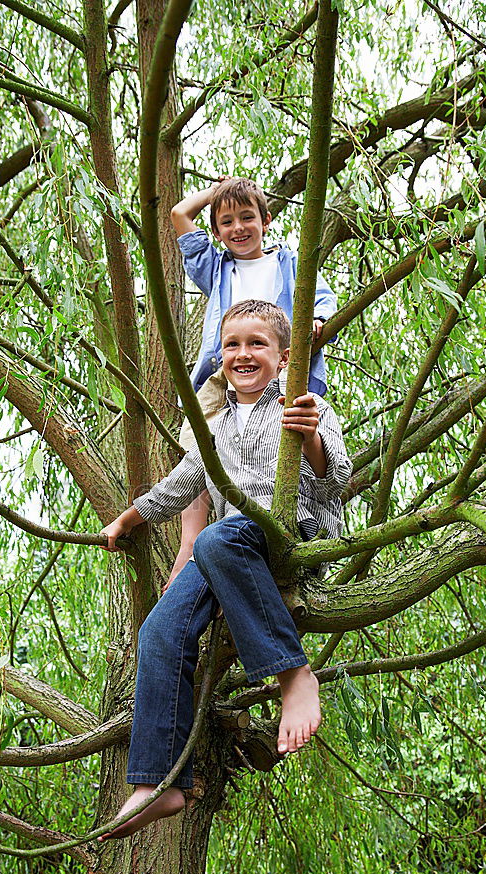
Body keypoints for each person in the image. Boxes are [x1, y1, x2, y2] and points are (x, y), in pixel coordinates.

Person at [99, 301, 352, 839]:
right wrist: (131, 516)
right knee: (160, 631)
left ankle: (292, 673)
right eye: (232, 344)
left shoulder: (304, 404)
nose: (243, 354)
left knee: (216, 538)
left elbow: (338, 484)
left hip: (288, 528)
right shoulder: (212, 424)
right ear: (219, 357)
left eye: (257, 343)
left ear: (285, 357)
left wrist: (309, 439)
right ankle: (159, 780)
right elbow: (184, 481)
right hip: (227, 548)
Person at [166, 176, 338, 590]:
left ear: (267, 220)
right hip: (220, 371)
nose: (238, 228)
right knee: (197, 448)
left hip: (279, 370)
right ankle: (191, 543)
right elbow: (178, 215)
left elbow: (325, 303)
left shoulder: (289, 262)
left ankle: (272, 524)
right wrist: (220, 190)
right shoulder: (216, 267)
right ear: (217, 230)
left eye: (247, 217)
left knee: (278, 441)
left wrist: (317, 323)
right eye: (226, 222)